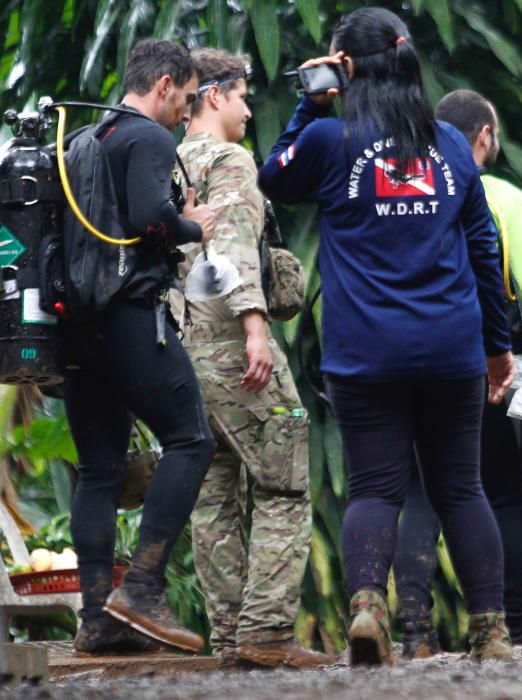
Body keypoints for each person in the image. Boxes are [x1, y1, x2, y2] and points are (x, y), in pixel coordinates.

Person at [259, 7, 515, 664]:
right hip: (451, 347)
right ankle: (491, 631)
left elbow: (272, 175)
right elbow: (483, 249)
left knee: (375, 487)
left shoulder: (328, 141)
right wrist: (497, 347)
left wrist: (311, 103)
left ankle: (369, 609)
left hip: (365, 351)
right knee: (460, 487)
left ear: (341, 66)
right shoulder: (451, 145)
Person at [392, 90, 522, 658]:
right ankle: (515, 621)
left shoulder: (404, 188)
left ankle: (415, 632)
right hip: (481, 353)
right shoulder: (498, 194)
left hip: (404, 352)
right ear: (483, 135)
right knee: (501, 491)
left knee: (419, 491)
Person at [175, 48, 333, 670]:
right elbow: (237, 248)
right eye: (241, 96)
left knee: (211, 498)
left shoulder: (166, 160)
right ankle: (265, 631)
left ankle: (228, 638)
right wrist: (256, 330)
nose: (248, 109)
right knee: (284, 482)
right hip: (233, 349)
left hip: (179, 357)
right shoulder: (230, 160)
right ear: (213, 95)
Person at [65, 38, 217, 654]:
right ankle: (144, 588)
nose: (185, 111)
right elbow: (152, 217)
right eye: (184, 97)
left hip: (77, 326)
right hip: (129, 317)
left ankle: (98, 619)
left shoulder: (85, 139)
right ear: (162, 86)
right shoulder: (150, 138)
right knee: (191, 439)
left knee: (99, 471)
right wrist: (193, 227)